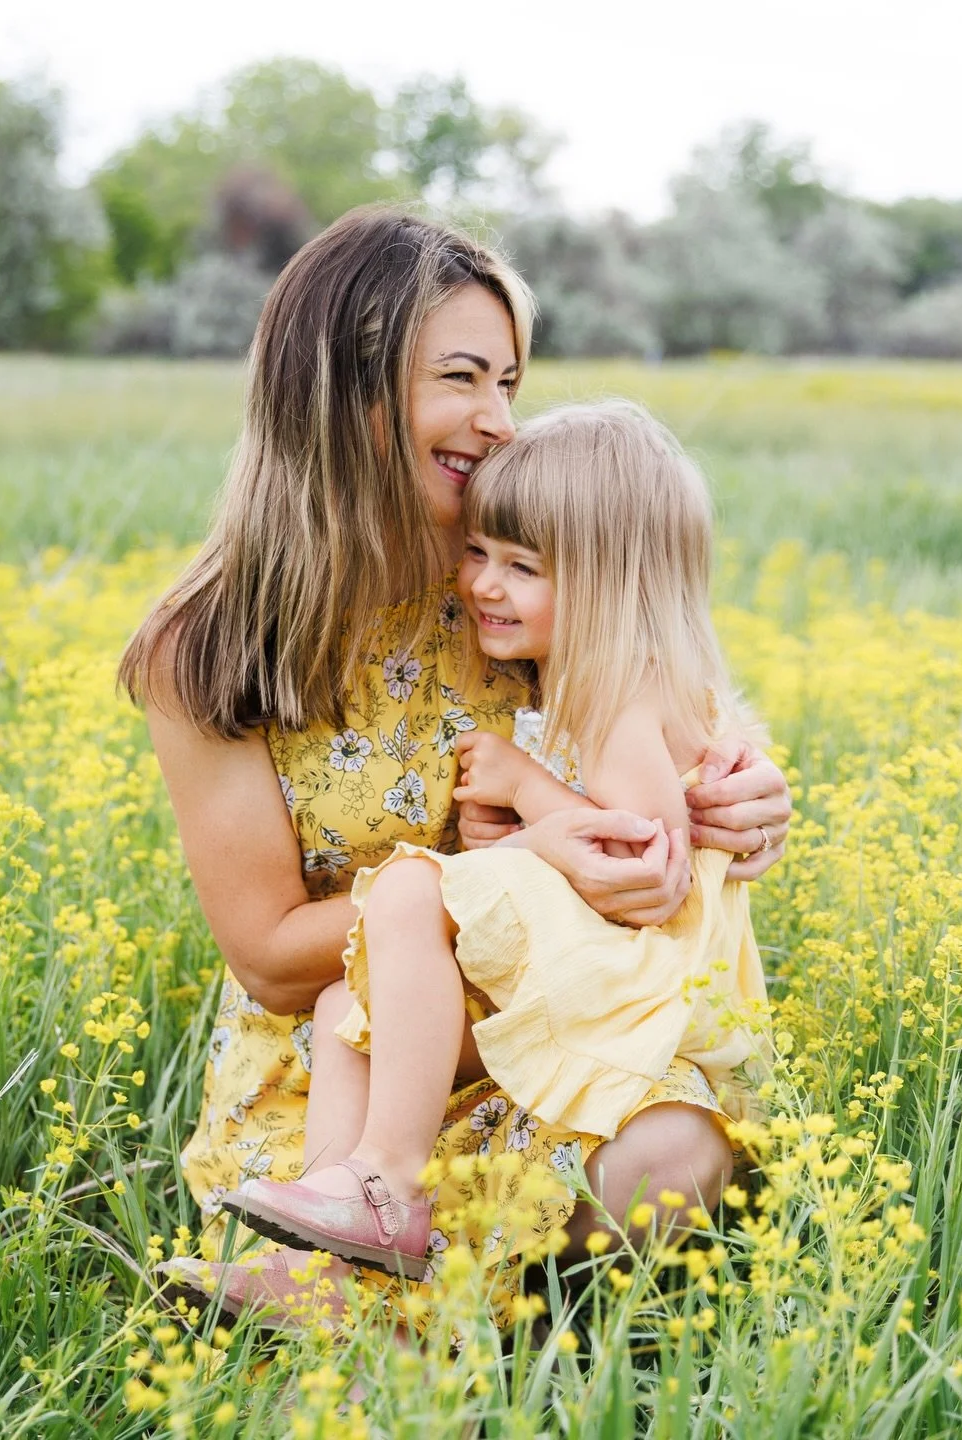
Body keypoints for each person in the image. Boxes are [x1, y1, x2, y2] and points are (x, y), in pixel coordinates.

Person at [119, 208, 791, 1319]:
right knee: (350, 1118)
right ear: (346, 386)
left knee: (672, 1158)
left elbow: (659, 721)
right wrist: (522, 864)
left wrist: (744, 796)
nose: (497, 421)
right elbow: (274, 962)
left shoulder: (516, 570)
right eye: (464, 379)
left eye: (512, 386)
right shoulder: (211, 644)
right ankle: (391, 1282)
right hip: (346, 1064)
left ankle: (407, 1307)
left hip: (539, 1026)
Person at [218, 402, 772, 1280]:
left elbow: (644, 869)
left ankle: (387, 1188)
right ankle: (337, 1233)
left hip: (632, 989)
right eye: (479, 554)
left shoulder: (622, 702)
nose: (483, 584)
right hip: (590, 973)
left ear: (606, 584)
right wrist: (510, 830)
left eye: (522, 567)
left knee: (405, 893)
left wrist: (527, 790)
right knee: (341, 1013)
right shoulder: (584, 681)